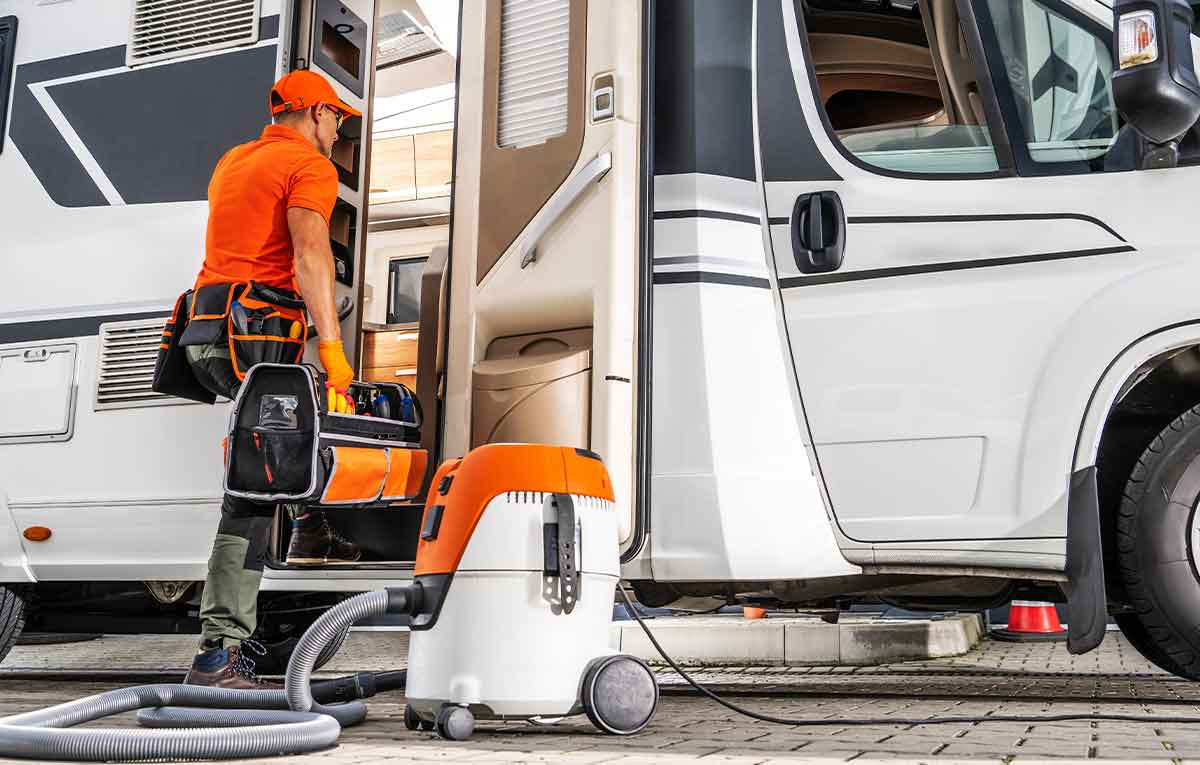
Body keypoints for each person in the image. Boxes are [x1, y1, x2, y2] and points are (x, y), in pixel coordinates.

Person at [183, 70, 363, 688]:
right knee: (254, 488)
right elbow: (310, 254)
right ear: (313, 113)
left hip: (208, 330)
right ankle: (219, 652)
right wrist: (332, 347)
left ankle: (311, 528)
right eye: (336, 116)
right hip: (258, 331)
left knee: (278, 454)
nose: (339, 129)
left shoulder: (233, 161)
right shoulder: (311, 167)